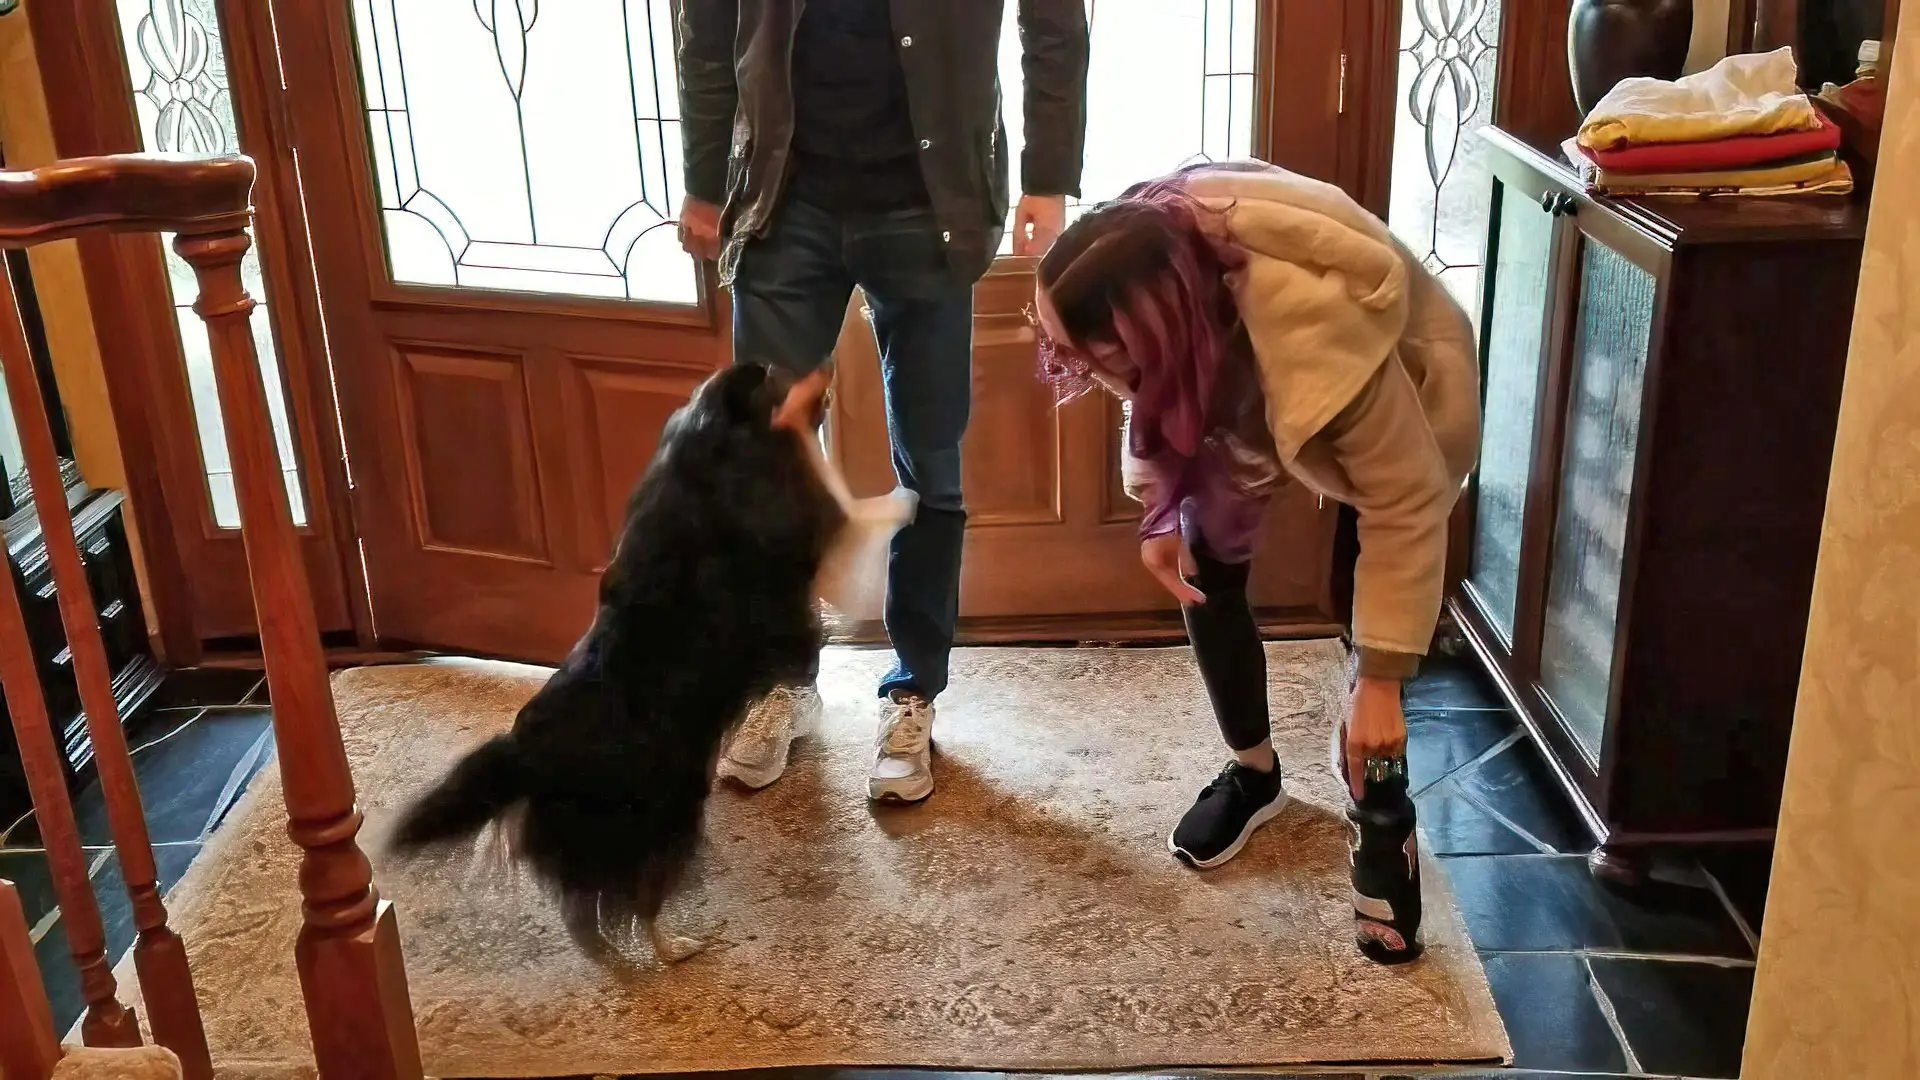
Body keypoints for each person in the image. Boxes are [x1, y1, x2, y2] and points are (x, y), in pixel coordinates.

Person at [1028, 161, 1480, 963]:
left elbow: (1406, 502)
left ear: (1154, 338)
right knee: (1204, 567)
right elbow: (1148, 389)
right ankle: (1254, 774)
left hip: (1383, 377)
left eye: (1092, 359)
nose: (1085, 377)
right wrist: (1157, 506)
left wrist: (1381, 678)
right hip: (1227, 354)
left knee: (1378, 598)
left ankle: (1379, 788)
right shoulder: (1141, 257)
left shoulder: (1324, 345)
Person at [676, 2, 1090, 802]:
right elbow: (707, 24)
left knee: (929, 463)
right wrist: (702, 177)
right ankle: (781, 678)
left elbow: (1053, 19)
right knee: (769, 463)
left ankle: (913, 692)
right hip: (782, 196)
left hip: (930, 203)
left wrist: (1047, 173)